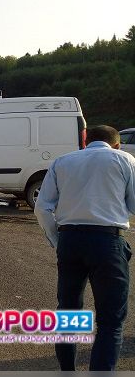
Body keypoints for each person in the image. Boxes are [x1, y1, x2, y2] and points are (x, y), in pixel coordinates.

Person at [35, 125, 135, 371]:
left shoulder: (63, 161)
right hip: (108, 241)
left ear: (85, 141)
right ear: (117, 144)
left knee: (69, 312)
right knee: (110, 322)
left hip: (70, 241)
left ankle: (67, 371)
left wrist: (59, 241)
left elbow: (42, 207)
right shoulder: (125, 160)